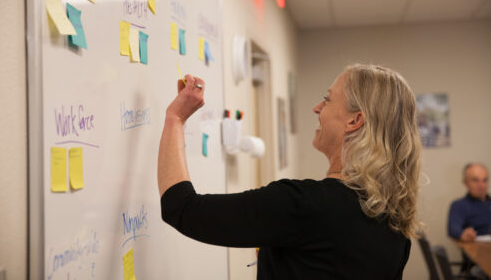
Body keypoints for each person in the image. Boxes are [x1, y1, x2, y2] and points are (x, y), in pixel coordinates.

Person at [158, 64, 422, 279]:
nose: (317, 108)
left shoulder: (302, 205)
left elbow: (182, 209)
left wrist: (175, 119)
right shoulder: (394, 220)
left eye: (327, 99)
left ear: (355, 121)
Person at [448, 163, 491, 242]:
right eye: (475, 180)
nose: (481, 185)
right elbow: (453, 229)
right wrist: (463, 234)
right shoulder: (459, 205)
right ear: (465, 182)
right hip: (477, 250)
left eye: (485, 180)